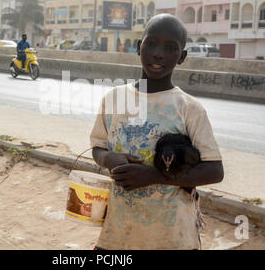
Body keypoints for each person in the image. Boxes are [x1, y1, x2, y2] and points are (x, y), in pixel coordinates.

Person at [90, 14, 224, 250]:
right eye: (151, 43)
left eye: (170, 48)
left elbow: (214, 170)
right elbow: (98, 147)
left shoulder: (189, 108)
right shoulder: (114, 99)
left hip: (172, 238)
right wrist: (108, 158)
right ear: (139, 47)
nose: (158, 53)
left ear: (181, 57)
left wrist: (154, 176)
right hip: (119, 235)